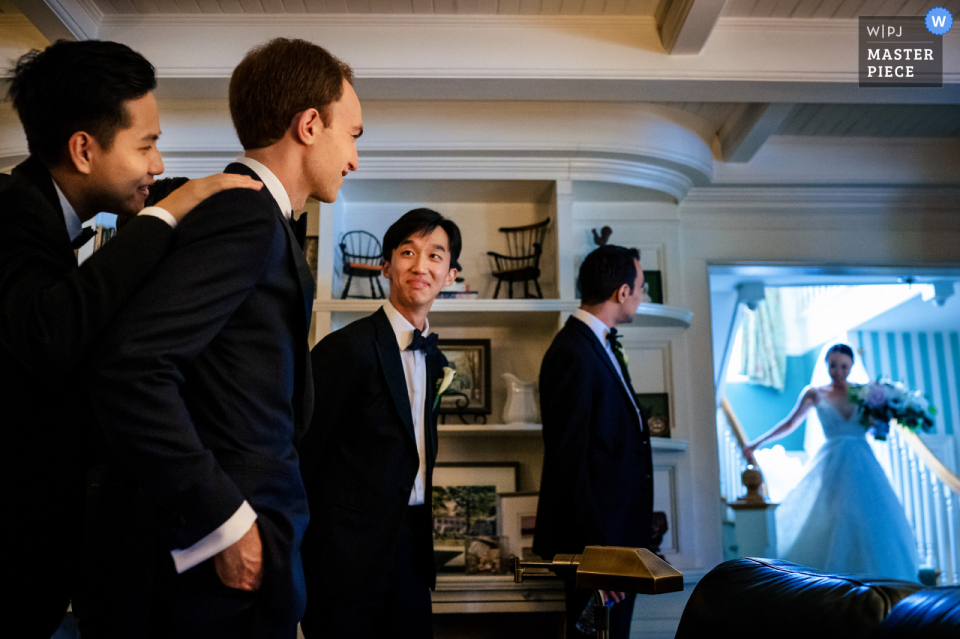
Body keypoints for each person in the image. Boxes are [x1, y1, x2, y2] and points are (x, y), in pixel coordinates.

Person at [88, 37, 361, 638]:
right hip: (212, 570)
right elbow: (135, 368)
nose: (355, 158)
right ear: (310, 125)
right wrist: (228, 523)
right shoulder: (244, 214)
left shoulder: (253, 216)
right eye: (354, 134)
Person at [0, 39, 260, 638]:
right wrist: (166, 216)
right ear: (84, 149)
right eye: (147, 144)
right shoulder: (14, 211)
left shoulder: (43, 217)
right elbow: (51, 336)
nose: (159, 165)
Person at [298, 208, 461, 639]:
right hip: (343, 558)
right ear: (386, 265)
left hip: (410, 551)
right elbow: (301, 454)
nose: (420, 265)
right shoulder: (344, 350)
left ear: (450, 275)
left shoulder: (435, 359)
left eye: (435, 256)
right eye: (407, 252)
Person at [533, 244, 653, 639]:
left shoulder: (598, 345)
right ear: (621, 291)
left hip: (618, 544)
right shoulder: (572, 351)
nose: (641, 295)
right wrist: (598, 557)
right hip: (598, 550)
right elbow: (569, 462)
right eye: (640, 286)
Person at [742, 343, 919, 582]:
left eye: (844, 365)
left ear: (851, 367)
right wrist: (756, 443)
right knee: (832, 516)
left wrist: (885, 415)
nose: (838, 370)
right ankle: (831, 581)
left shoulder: (865, 393)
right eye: (833, 364)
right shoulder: (815, 393)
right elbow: (790, 423)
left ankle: (873, 579)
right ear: (826, 364)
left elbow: (877, 428)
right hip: (831, 463)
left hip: (863, 463)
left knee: (869, 516)